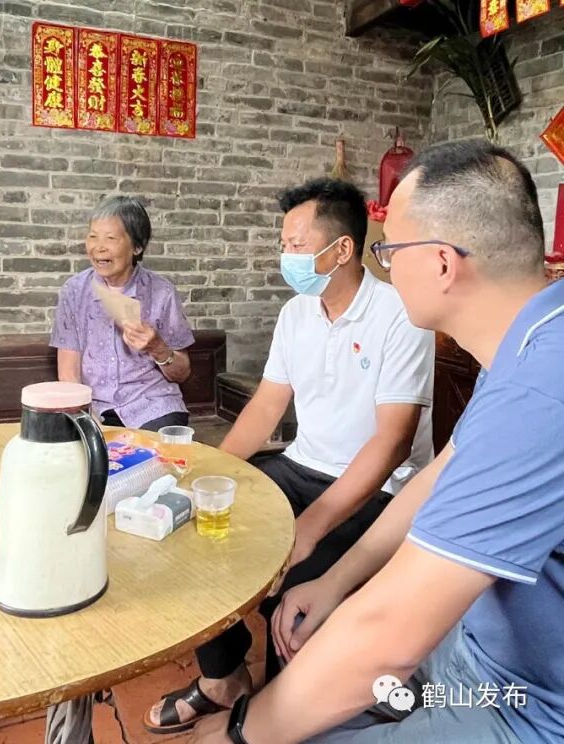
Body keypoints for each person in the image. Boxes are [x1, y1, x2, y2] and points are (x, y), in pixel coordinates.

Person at [190, 141, 564, 744]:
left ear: (441, 264)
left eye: (391, 250)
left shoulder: (539, 388)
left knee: (297, 721)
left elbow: (390, 630)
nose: (385, 264)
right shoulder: (532, 342)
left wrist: (242, 733)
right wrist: (337, 582)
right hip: (476, 649)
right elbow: (442, 472)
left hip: (522, 705)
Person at [146, 179, 435, 734]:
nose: (286, 257)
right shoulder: (297, 313)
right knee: (194, 527)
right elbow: (265, 407)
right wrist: (207, 473)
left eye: (297, 244)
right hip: (299, 465)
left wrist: (310, 525)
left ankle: (281, 714)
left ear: (342, 249)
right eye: (284, 244)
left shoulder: (399, 314)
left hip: (375, 488)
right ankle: (224, 677)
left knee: (295, 576)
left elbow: (392, 442)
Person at [51, 195, 195, 432]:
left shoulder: (162, 292)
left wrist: (157, 347)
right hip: (95, 407)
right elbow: (68, 372)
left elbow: (182, 373)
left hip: (152, 404)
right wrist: (86, 420)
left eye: (110, 238)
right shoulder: (74, 291)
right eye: (93, 236)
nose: (99, 247)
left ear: (137, 247)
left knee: (153, 450)